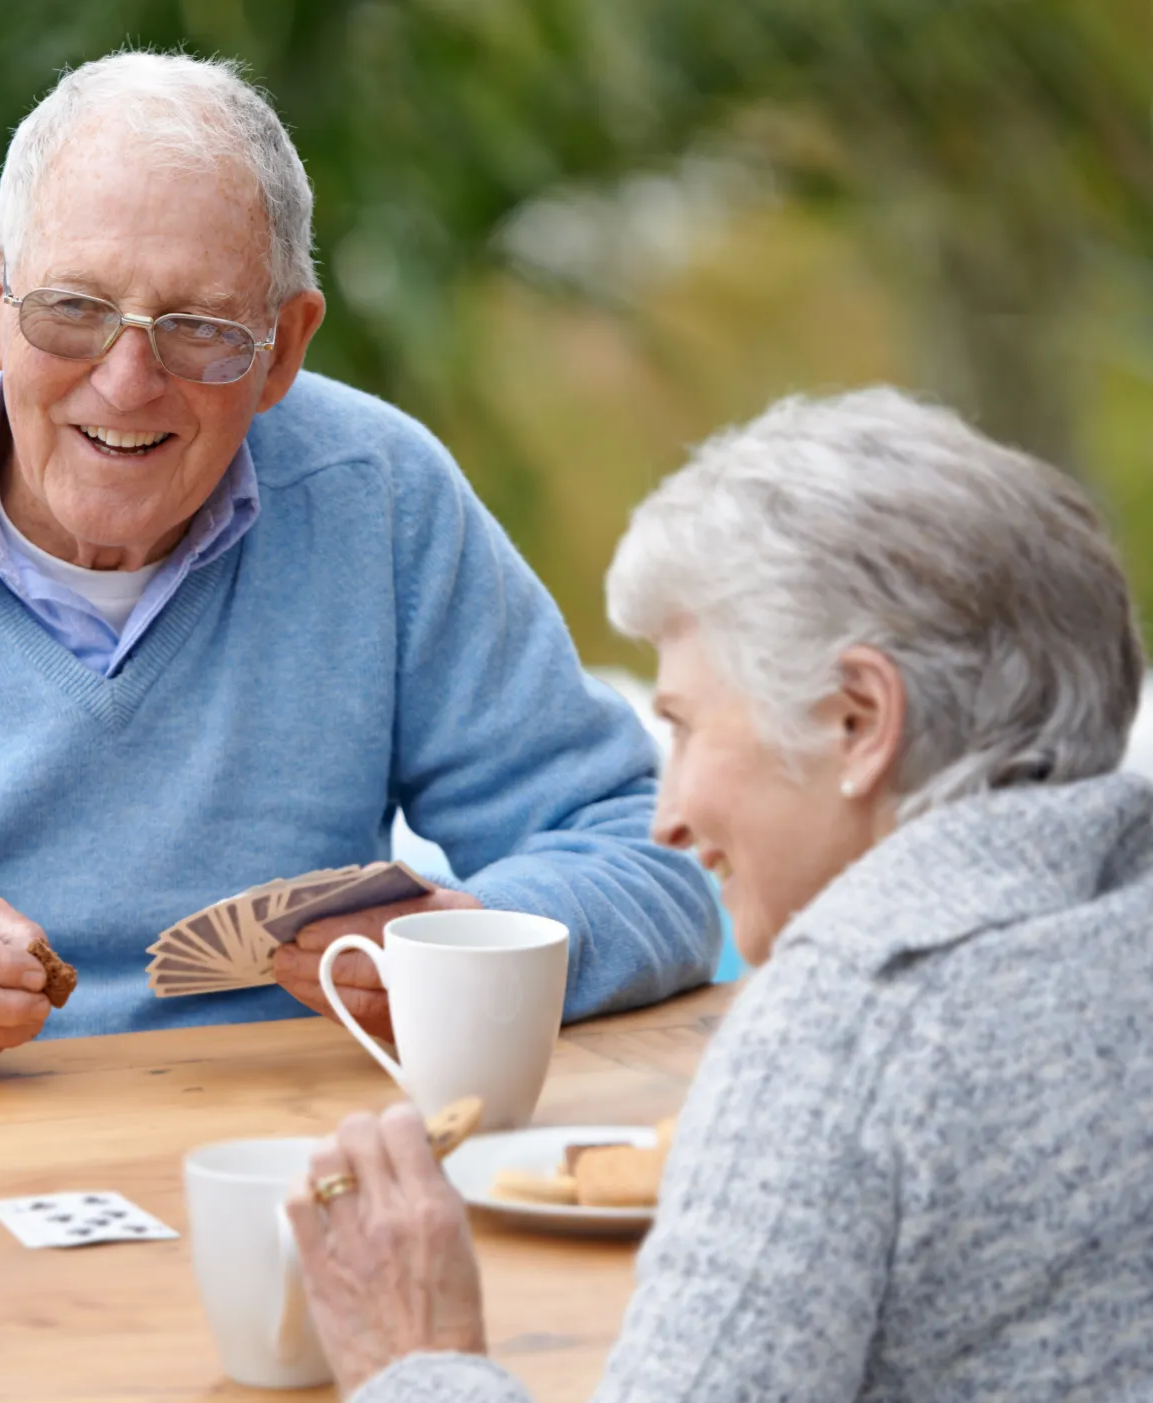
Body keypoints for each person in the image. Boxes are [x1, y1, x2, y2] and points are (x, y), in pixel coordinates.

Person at [0, 50, 722, 1074]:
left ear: (284, 347)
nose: (128, 383)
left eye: (199, 328)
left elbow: (657, 857)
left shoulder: (378, 498)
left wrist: (467, 941)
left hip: (289, 1165)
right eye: (75, 310)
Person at [284, 389, 1153, 1401]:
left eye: (686, 727)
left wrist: (414, 1359)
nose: (669, 816)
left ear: (860, 719)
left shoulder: (849, 1026)